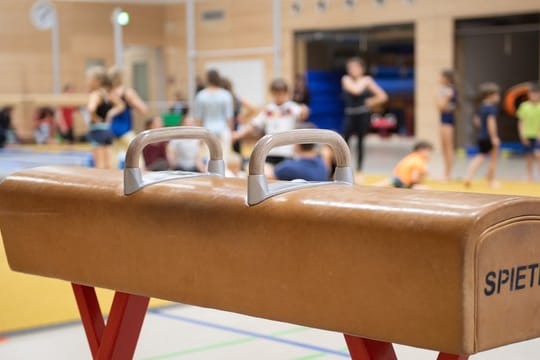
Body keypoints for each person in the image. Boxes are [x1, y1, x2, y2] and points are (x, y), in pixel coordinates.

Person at [232, 78, 309, 165]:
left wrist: (304, 110)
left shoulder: (291, 108)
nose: (279, 97)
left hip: (287, 151)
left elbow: (303, 114)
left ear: (286, 93)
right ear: (272, 94)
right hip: (271, 150)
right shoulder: (268, 109)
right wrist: (238, 135)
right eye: (276, 94)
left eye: (281, 94)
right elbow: (254, 124)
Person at [342, 57, 388, 172]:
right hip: (350, 113)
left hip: (362, 113)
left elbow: (383, 96)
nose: (352, 70)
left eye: (355, 67)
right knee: (344, 140)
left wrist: (371, 101)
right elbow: (355, 90)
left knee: (361, 141)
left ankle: (359, 168)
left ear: (361, 68)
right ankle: (342, 166)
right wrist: (365, 81)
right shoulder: (346, 79)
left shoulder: (367, 80)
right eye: (350, 67)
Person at [86, 66, 125, 169]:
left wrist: (94, 118)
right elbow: (121, 105)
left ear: (97, 81)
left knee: (100, 165)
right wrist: (110, 113)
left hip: (96, 131)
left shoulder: (95, 94)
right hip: (107, 130)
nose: (87, 82)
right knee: (109, 164)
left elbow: (90, 109)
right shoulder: (108, 94)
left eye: (89, 79)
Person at [464, 82, 501, 188]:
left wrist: (482, 129)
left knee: (480, 156)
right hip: (489, 136)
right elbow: (491, 123)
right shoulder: (491, 108)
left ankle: (469, 176)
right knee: (493, 159)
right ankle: (490, 181)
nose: (498, 97)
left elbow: (477, 121)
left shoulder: (481, 107)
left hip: (482, 135)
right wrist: (494, 137)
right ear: (490, 95)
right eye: (497, 95)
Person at [107, 66, 149, 160]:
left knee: (113, 163)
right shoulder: (126, 92)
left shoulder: (107, 93)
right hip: (124, 131)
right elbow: (143, 109)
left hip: (111, 132)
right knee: (137, 159)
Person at [193, 69, 234, 156]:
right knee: (224, 158)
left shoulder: (201, 96)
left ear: (207, 79)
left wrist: (198, 135)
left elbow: (198, 118)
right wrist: (230, 132)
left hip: (207, 129)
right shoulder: (225, 95)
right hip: (223, 129)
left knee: (209, 159)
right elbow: (229, 117)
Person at [221, 77, 257, 155]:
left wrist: (243, 117)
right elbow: (253, 108)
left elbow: (253, 108)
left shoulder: (234, 98)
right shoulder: (236, 98)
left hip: (230, 128)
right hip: (231, 128)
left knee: (229, 152)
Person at [516, 83, 540, 181]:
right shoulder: (524, 106)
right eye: (532, 94)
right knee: (528, 156)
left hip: (538, 135)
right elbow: (521, 122)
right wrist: (522, 135)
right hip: (527, 134)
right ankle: (529, 175)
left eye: (537, 94)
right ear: (529, 94)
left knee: (538, 155)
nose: (534, 96)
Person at [437, 70, 457, 181]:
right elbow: (439, 106)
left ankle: (449, 174)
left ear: (446, 78)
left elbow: (441, 106)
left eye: (440, 77)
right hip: (443, 121)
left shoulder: (450, 91)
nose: (439, 79)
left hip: (448, 122)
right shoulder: (444, 90)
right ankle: (445, 172)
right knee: (443, 147)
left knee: (449, 147)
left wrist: (442, 100)